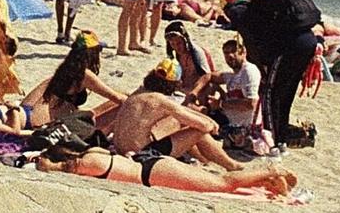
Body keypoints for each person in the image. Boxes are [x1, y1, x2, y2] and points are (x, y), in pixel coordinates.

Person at [223, 0, 323, 145]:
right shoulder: (262, 10)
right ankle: (280, 139)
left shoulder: (240, 15)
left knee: (270, 94)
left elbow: (254, 48)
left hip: (290, 47)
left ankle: (271, 141)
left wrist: (263, 71)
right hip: (308, 42)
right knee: (286, 94)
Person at [105, 63, 245, 171]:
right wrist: (212, 123)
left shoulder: (137, 94)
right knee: (198, 132)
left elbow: (183, 113)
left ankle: (209, 161)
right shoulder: (161, 101)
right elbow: (204, 126)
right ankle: (231, 165)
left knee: (177, 122)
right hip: (142, 155)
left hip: (120, 149)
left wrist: (207, 120)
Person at [34, 143, 297, 196]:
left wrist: (49, 167)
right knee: (213, 181)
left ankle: (271, 171)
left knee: (222, 183)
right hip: (152, 166)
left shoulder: (84, 165)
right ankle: (265, 182)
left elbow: (68, 172)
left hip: (154, 174)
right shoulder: (92, 152)